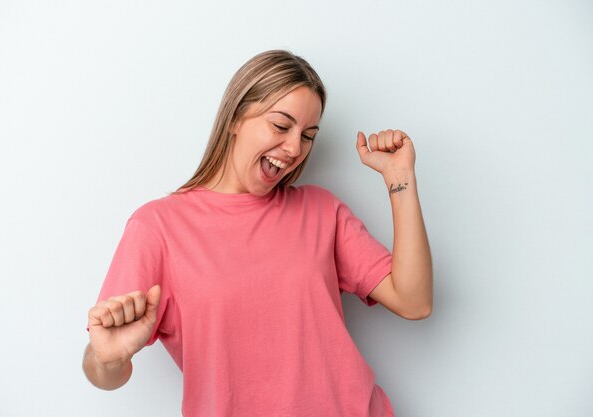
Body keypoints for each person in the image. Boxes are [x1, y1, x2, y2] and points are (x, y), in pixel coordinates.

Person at [83, 49, 432, 417]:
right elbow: (101, 370)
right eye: (281, 126)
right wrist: (108, 359)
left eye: (308, 135)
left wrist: (400, 179)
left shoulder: (320, 210)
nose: (295, 148)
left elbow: (414, 301)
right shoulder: (157, 227)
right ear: (235, 118)